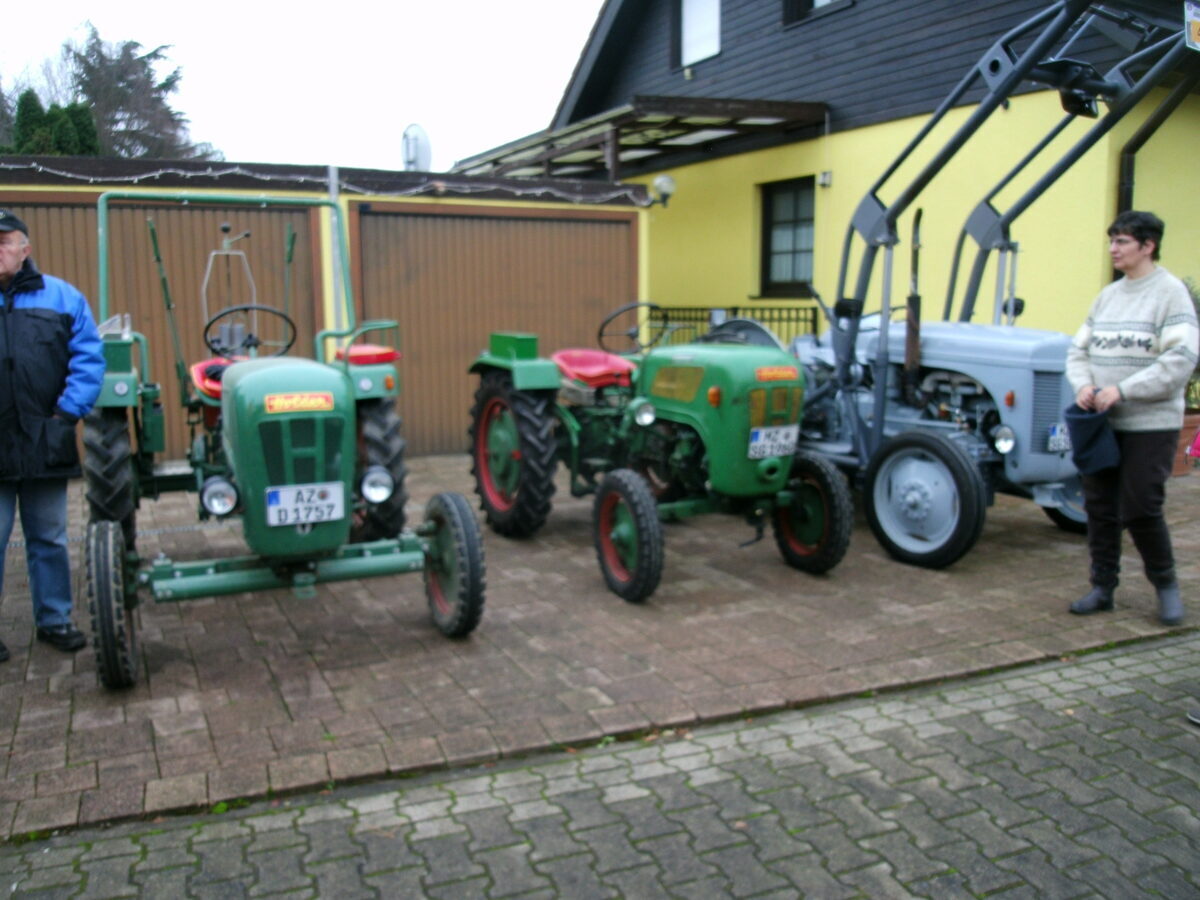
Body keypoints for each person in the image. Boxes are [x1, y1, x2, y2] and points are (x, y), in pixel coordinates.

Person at [1065, 210, 1199, 626]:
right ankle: (1102, 587)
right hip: (1101, 425)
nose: (1113, 249)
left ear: (1148, 245)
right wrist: (1084, 386)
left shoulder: (1170, 294)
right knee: (1100, 507)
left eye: (1121, 241)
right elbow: (1078, 351)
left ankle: (1166, 586)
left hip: (1150, 425)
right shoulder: (1107, 296)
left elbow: (1180, 360)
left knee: (1141, 506)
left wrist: (1123, 390)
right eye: (1112, 241)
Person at [0, 209, 104, 660]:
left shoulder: (62, 297)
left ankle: (55, 619)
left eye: (4, 241)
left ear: (24, 249)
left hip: (46, 437)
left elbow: (88, 359)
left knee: (49, 537)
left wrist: (65, 415)